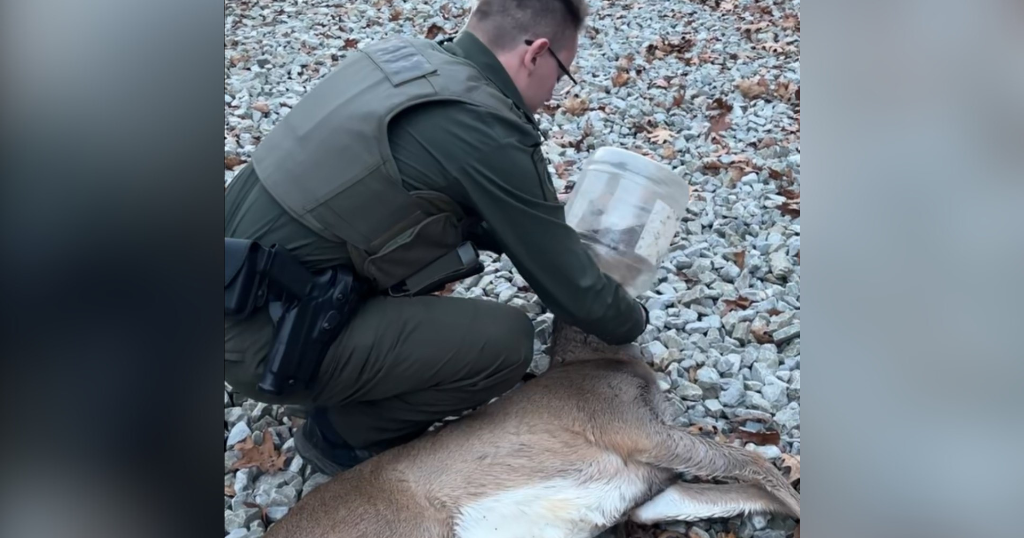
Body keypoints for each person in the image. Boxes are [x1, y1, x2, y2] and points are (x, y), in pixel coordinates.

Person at [224, 0, 649, 476]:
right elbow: (581, 297)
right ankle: (344, 435)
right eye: (562, 75)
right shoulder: (488, 126)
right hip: (257, 339)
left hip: (223, 290)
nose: (553, 94)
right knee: (504, 343)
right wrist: (632, 318)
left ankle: (338, 370)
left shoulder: (400, 58)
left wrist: (528, 215)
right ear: (537, 54)